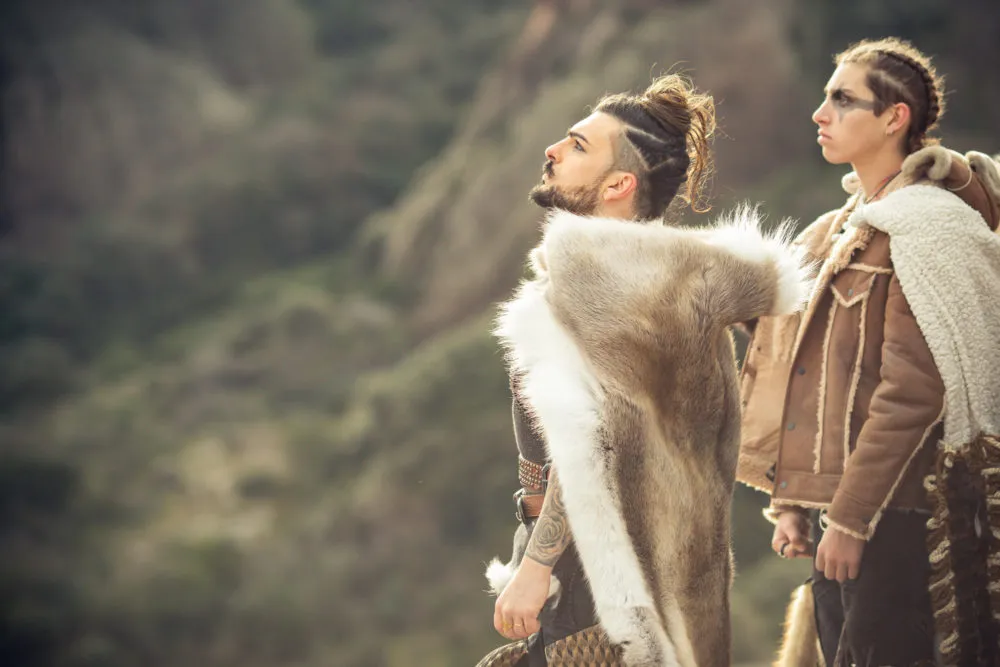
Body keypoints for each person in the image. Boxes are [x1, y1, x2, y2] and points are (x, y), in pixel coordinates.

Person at [476, 74, 810, 666]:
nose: (552, 149)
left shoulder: (610, 281)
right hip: (621, 569)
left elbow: (591, 443)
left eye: (578, 146)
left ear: (619, 184)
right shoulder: (656, 279)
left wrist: (535, 567)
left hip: (601, 579)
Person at [735, 37, 1000, 666]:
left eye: (841, 101)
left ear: (894, 117)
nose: (819, 114)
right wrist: (795, 501)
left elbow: (914, 392)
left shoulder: (932, 228)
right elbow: (802, 367)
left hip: (901, 518)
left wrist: (852, 520)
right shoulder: (838, 231)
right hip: (841, 518)